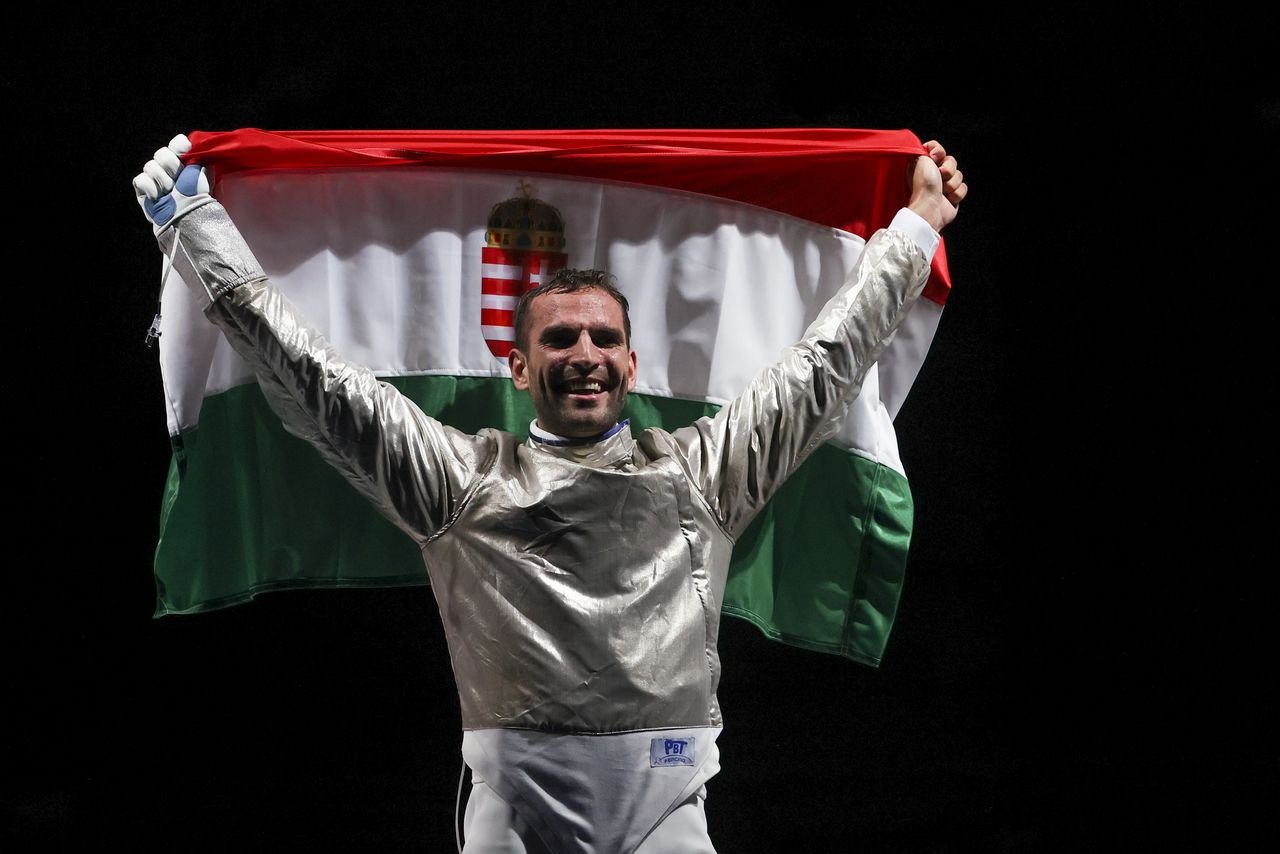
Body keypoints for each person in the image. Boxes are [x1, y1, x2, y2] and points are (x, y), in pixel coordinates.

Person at [134, 134, 966, 853]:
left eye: (604, 337)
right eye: (560, 338)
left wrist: (916, 225)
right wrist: (192, 227)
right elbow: (312, 379)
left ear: (631, 365)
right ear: (519, 367)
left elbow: (825, 366)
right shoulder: (462, 481)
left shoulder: (700, 474)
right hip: (516, 801)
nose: (585, 354)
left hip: (669, 795)